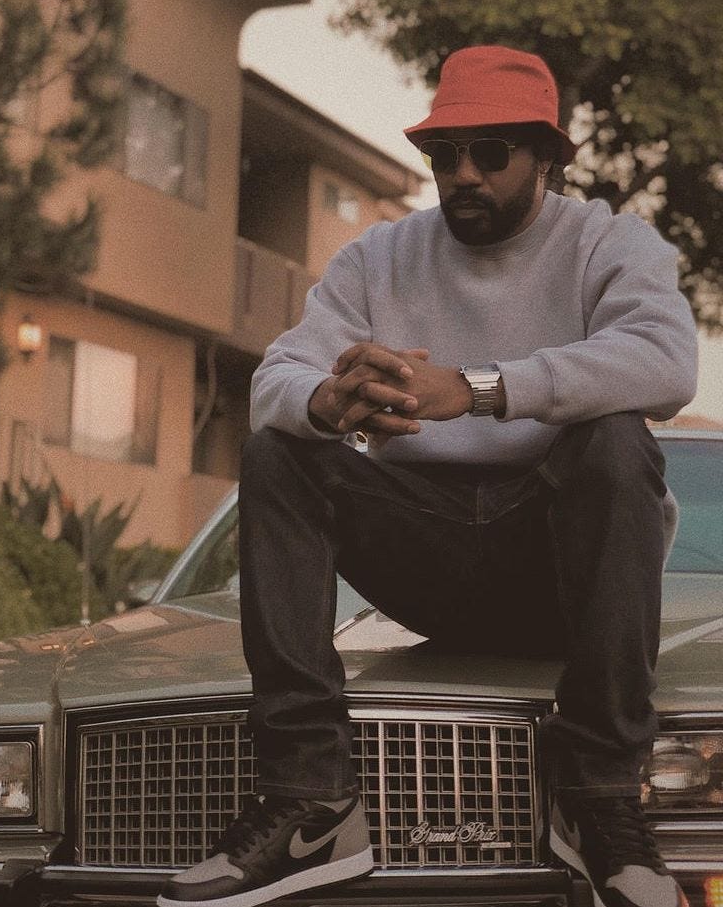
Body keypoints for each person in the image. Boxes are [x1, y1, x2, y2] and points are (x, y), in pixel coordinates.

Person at [158, 46, 697, 907]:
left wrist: (478, 388)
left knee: (614, 437)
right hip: (427, 559)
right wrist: (330, 401)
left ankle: (598, 798)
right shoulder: (379, 257)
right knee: (278, 449)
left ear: (547, 157)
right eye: (444, 155)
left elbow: (666, 362)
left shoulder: (607, 241)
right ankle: (312, 801)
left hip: (561, 577)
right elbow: (274, 381)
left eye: (490, 152)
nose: (463, 174)